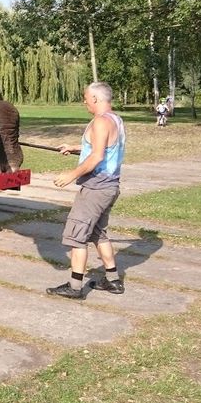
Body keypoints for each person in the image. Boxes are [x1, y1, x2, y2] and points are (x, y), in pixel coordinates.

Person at [47, 81, 127, 299]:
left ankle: (74, 287)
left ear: (95, 99)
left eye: (86, 98)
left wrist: (71, 175)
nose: (84, 101)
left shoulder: (100, 122)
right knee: (98, 233)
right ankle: (113, 280)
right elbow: (101, 148)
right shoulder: (115, 119)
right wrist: (75, 147)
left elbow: (97, 157)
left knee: (76, 235)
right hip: (110, 186)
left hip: (95, 188)